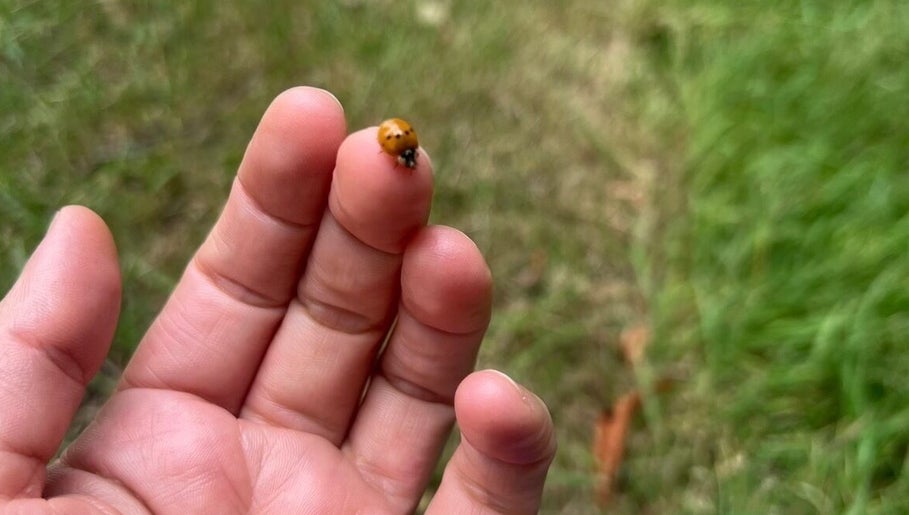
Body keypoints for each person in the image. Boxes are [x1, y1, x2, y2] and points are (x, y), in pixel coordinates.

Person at [0, 87, 556, 513]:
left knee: (443, 269)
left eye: (404, 152)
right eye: (404, 152)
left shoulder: (399, 144)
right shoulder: (398, 144)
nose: (404, 152)